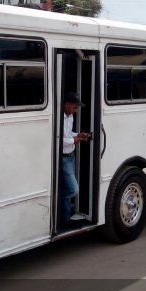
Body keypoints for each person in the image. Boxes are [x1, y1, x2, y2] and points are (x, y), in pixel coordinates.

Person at [61, 91, 90, 226]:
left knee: (68, 187)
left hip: (70, 156)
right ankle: (62, 211)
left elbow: (68, 134)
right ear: (66, 105)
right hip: (64, 158)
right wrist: (76, 139)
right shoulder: (59, 118)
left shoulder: (70, 116)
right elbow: (60, 139)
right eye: (74, 107)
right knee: (73, 189)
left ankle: (65, 217)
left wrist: (78, 134)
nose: (76, 110)